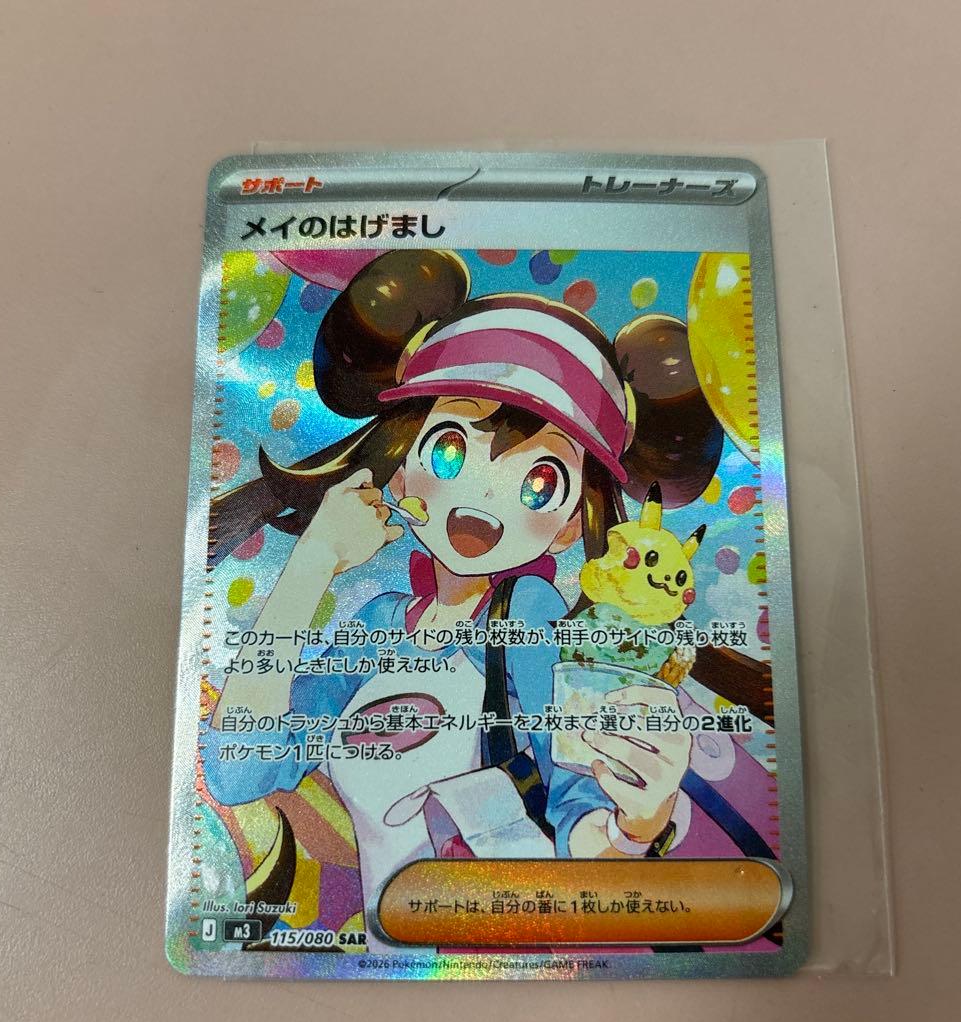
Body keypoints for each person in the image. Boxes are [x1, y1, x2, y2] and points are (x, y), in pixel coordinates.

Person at [203, 250, 766, 950]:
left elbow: (578, 814)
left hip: (504, 952)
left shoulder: (526, 616)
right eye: (448, 450)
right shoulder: (381, 625)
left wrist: (636, 824)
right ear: (401, 466)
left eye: (539, 482)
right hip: (393, 964)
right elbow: (241, 767)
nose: (483, 501)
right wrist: (312, 562)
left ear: (570, 524)